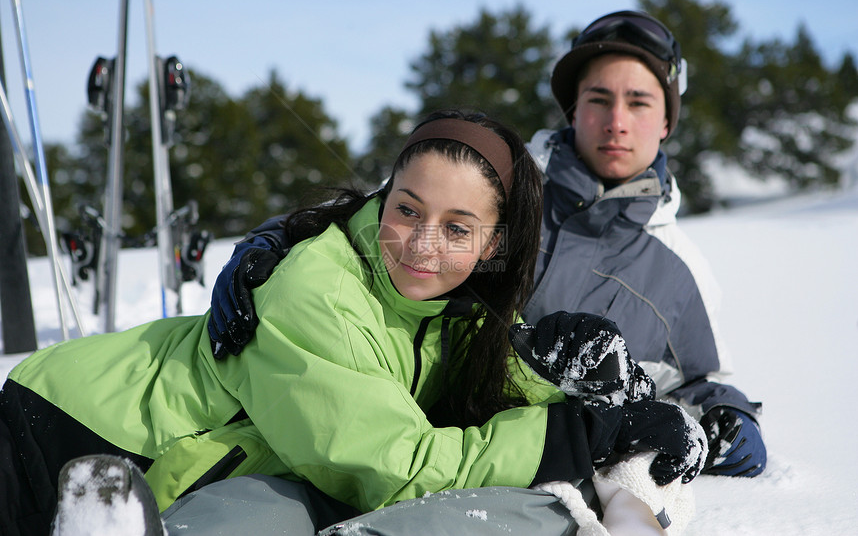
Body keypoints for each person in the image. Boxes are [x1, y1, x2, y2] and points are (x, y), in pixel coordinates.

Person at [0, 110, 706, 536]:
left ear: (495, 245)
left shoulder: (446, 309)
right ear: (384, 196)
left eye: (457, 227)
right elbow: (394, 468)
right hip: (63, 435)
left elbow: (495, 387)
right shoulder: (317, 286)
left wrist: (616, 411)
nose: (423, 242)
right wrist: (579, 436)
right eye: (407, 209)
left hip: (149, 460)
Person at [208, 11, 767, 482]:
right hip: (390, 417)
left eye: (640, 102)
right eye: (599, 99)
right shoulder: (494, 183)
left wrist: (730, 413)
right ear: (574, 109)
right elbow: (381, 214)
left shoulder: (680, 270)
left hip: (516, 454)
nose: (616, 122)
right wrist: (276, 238)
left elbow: (697, 380)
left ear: (667, 119)